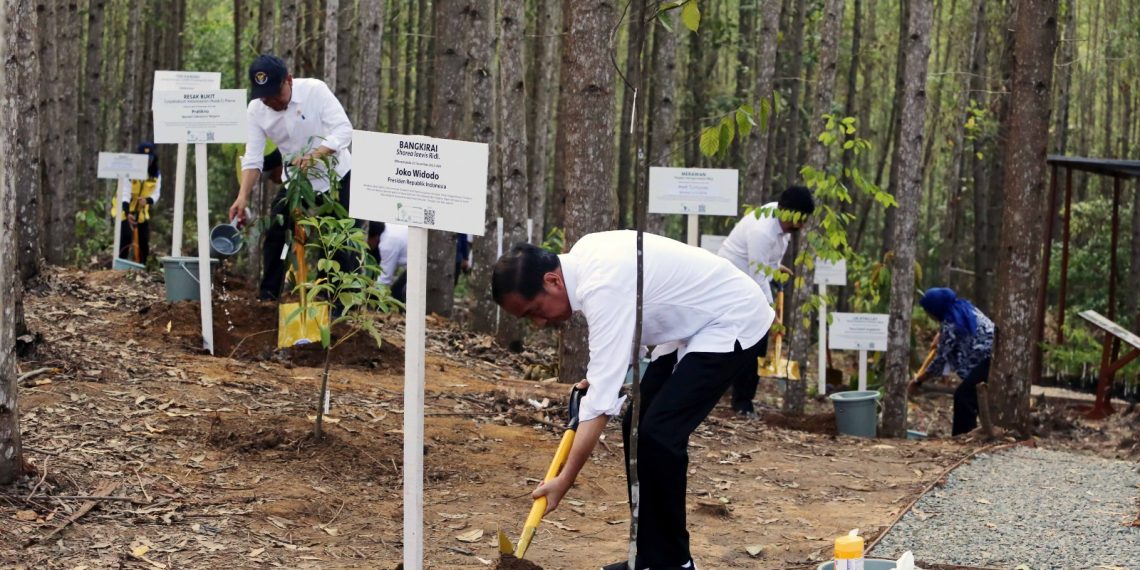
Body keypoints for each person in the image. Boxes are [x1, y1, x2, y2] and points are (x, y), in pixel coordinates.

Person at [492, 231, 775, 570]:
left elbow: (598, 408)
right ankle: (650, 558)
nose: (539, 323)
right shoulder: (586, 259)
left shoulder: (601, 286)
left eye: (534, 311)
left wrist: (564, 480)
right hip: (692, 325)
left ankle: (675, 563)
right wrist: (602, 379)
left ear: (553, 280)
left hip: (731, 316)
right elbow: (628, 330)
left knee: (659, 435)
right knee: (636, 425)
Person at [228, 53, 357, 301]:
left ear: (289, 80)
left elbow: (344, 130)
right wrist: (242, 197)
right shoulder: (256, 110)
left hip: (335, 176)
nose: (271, 102)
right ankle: (269, 295)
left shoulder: (315, 91)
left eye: (276, 94)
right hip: (297, 181)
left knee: (337, 241)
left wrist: (316, 154)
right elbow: (254, 158)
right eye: (264, 97)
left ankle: (339, 305)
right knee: (277, 231)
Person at [717, 185, 815, 417]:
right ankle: (741, 403)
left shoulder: (782, 225)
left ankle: (743, 398)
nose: (802, 225)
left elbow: (767, 263)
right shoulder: (762, 230)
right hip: (732, 286)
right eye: (799, 219)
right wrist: (772, 314)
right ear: (785, 212)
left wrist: (776, 268)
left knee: (755, 344)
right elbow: (757, 276)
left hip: (751, 281)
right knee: (752, 341)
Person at [909, 287, 995, 436]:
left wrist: (918, 381)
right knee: (976, 397)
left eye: (927, 311)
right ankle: (983, 434)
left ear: (935, 310)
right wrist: (940, 334)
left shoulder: (951, 325)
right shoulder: (965, 308)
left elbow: (939, 361)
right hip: (991, 358)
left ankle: (963, 439)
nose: (927, 315)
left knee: (963, 397)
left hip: (989, 361)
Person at [118, 142, 161, 263]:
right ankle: (120, 267)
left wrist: (148, 200)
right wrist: (127, 213)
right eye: (143, 159)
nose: (147, 162)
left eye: (149, 159)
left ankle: (142, 266)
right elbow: (125, 191)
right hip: (125, 209)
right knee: (125, 239)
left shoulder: (156, 174)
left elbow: (156, 193)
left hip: (142, 212)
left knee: (143, 241)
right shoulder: (130, 171)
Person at [367, 222, 408, 303]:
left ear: (374, 237)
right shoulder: (388, 228)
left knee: (397, 294)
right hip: (414, 259)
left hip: (420, 261)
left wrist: (370, 298)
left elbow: (385, 278)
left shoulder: (387, 244)